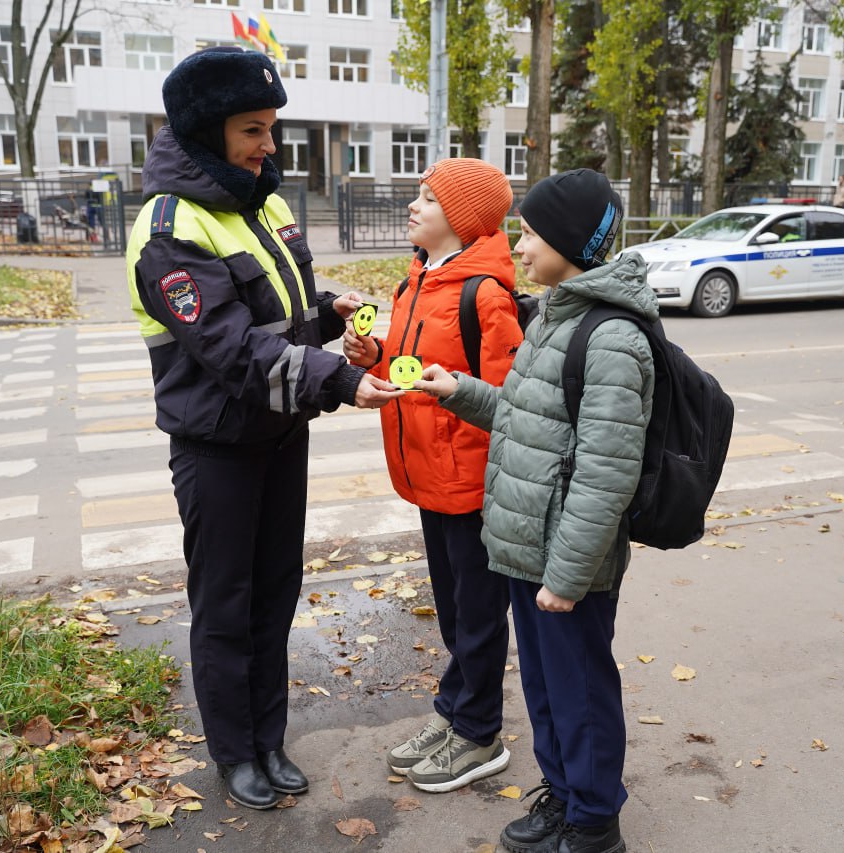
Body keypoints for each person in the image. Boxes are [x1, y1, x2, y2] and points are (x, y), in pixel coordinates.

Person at [124, 46, 403, 811]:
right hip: (217, 447)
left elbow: (281, 313)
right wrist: (339, 380)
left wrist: (331, 312)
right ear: (207, 130)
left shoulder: (264, 203)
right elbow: (231, 348)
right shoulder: (168, 228)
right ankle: (235, 752)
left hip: (280, 433)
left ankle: (269, 739)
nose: (269, 145)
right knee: (227, 605)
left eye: (271, 127)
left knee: (275, 594)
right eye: (253, 129)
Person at [413, 169, 653, 853]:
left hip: (566, 563)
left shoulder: (612, 338)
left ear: (570, 242)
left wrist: (568, 576)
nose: (517, 247)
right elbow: (528, 419)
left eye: (529, 234)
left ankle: (594, 822)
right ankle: (564, 795)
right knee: (548, 691)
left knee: (581, 693)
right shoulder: (555, 314)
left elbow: (606, 474)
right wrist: (460, 390)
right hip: (527, 548)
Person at [341, 158, 522, 793]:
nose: (413, 206)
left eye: (428, 198)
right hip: (426, 476)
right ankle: (454, 712)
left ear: (463, 219)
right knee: (452, 610)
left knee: (477, 614)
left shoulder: (485, 294)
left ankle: (480, 734)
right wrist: (373, 355)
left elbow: (507, 399)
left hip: (471, 485)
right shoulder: (416, 281)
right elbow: (410, 365)